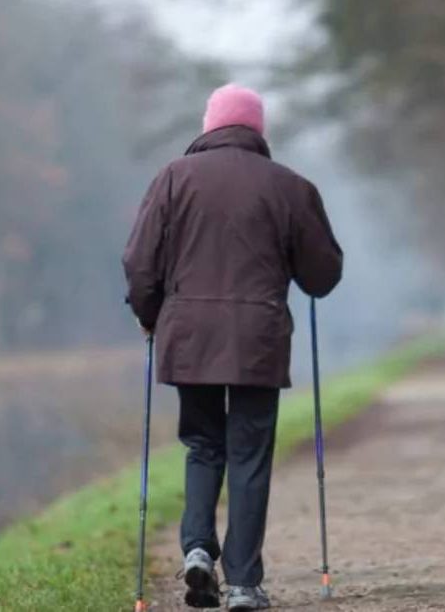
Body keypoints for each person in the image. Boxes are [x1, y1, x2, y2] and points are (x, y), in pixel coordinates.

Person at [123, 84, 343, 611]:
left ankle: (198, 549)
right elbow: (322, 274)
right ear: (256, 129)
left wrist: (150, 316)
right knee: (248, 453)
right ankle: (243, 582)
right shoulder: (289, 186)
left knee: (203, 445)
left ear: (209, 126)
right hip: (258, 340)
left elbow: (139, 261)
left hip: (190, 335)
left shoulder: (173, 178)